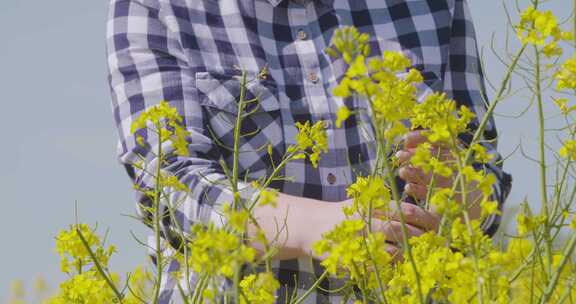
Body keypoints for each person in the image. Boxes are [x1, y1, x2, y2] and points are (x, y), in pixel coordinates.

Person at [106, 0, 512, 302]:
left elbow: (485, 176)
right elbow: (169, 187)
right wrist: (328, 228)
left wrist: (464, 193)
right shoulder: (159, 8)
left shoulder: (433, 6)